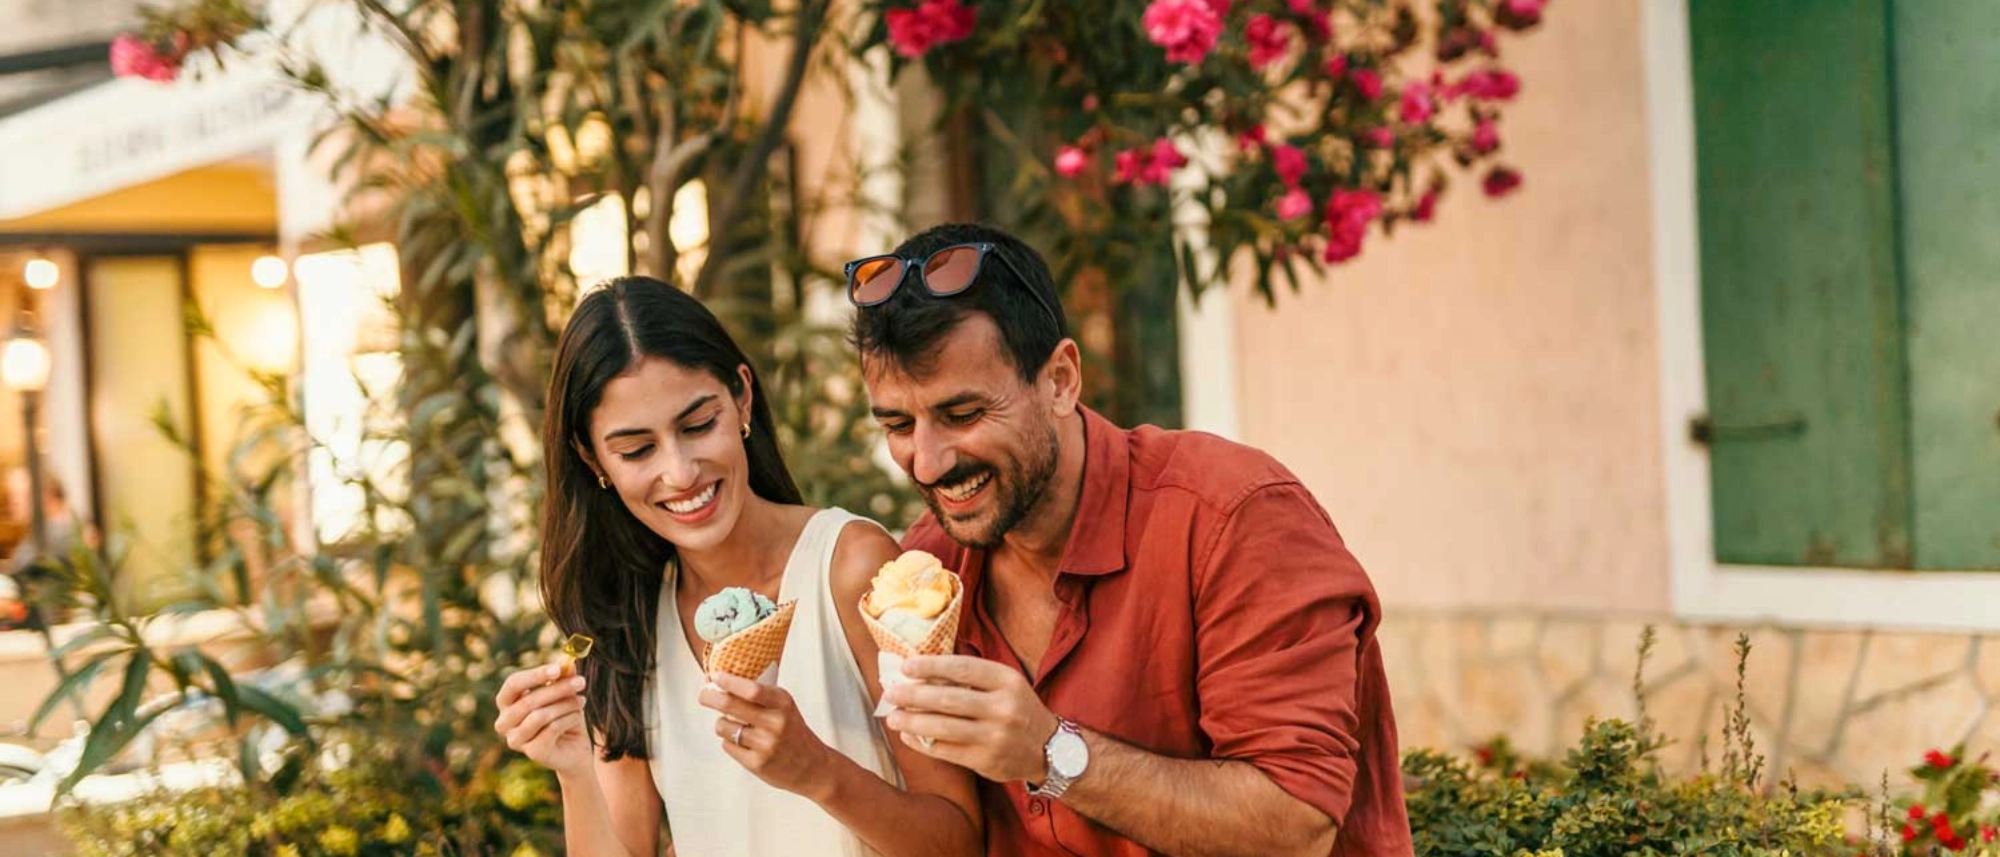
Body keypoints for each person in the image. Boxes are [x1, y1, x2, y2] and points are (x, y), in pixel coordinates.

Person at [847, 223, 1412, 855]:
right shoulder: (930, 564)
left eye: (964, 415)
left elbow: (1297, 825)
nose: (927, 463)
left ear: (1060, 380)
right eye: (898, 424)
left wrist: (1050, 751)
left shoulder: (1235, 517)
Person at [491, 277, 981, 857]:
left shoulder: (851, 567)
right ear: (591, 457)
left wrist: (818, 771)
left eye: (698, 425)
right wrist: (574, 769)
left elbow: (960, 841)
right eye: (636, 450)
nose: (680, 473)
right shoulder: (628, 623)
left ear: (742, 398)